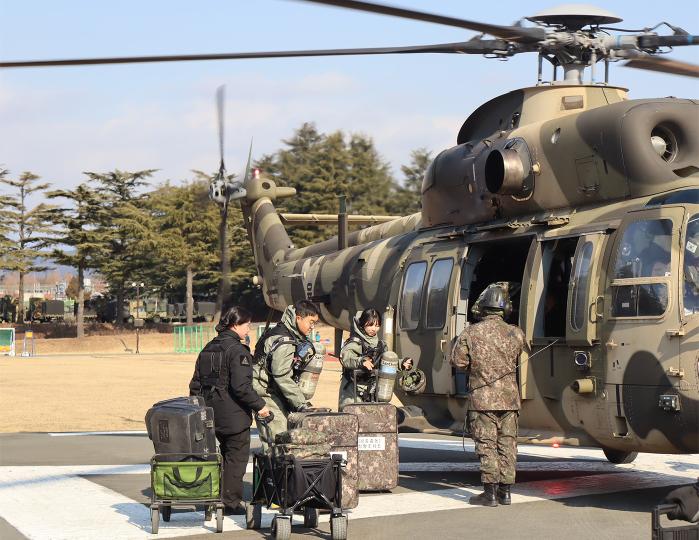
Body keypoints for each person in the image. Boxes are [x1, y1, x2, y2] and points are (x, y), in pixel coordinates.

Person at [189, 305, 270, 515]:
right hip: (233, 415)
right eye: (247, 325)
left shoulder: (207, 347)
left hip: (208, 413)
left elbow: (195, 384)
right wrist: (260, 406)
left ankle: (214, 497)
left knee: (217, 457)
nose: (249, 330)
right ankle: (230, 503)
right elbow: (241, 388)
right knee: (235, 458)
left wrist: (198, 410)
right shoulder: (238, 351)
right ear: (235, 325)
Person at [451, 282, 525, 507]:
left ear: (482, 308)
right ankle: (506, 492)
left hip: (483, 401)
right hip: (510, 401)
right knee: (507, 445)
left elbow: (458, 361)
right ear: (505, 309)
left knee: (487, 445)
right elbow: (519, 351)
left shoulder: (470, 333)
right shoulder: (515, 333)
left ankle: (490, 494)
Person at [253, 300, 319, 450]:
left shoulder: (283, 331)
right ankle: (273, 473)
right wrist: (301, 404)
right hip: (267, 395)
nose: (312, 327)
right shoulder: (285, 340)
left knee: (281, 443)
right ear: (298, 318)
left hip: (272, 392)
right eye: (311, 322)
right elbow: (281, 375)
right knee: (277, 444)